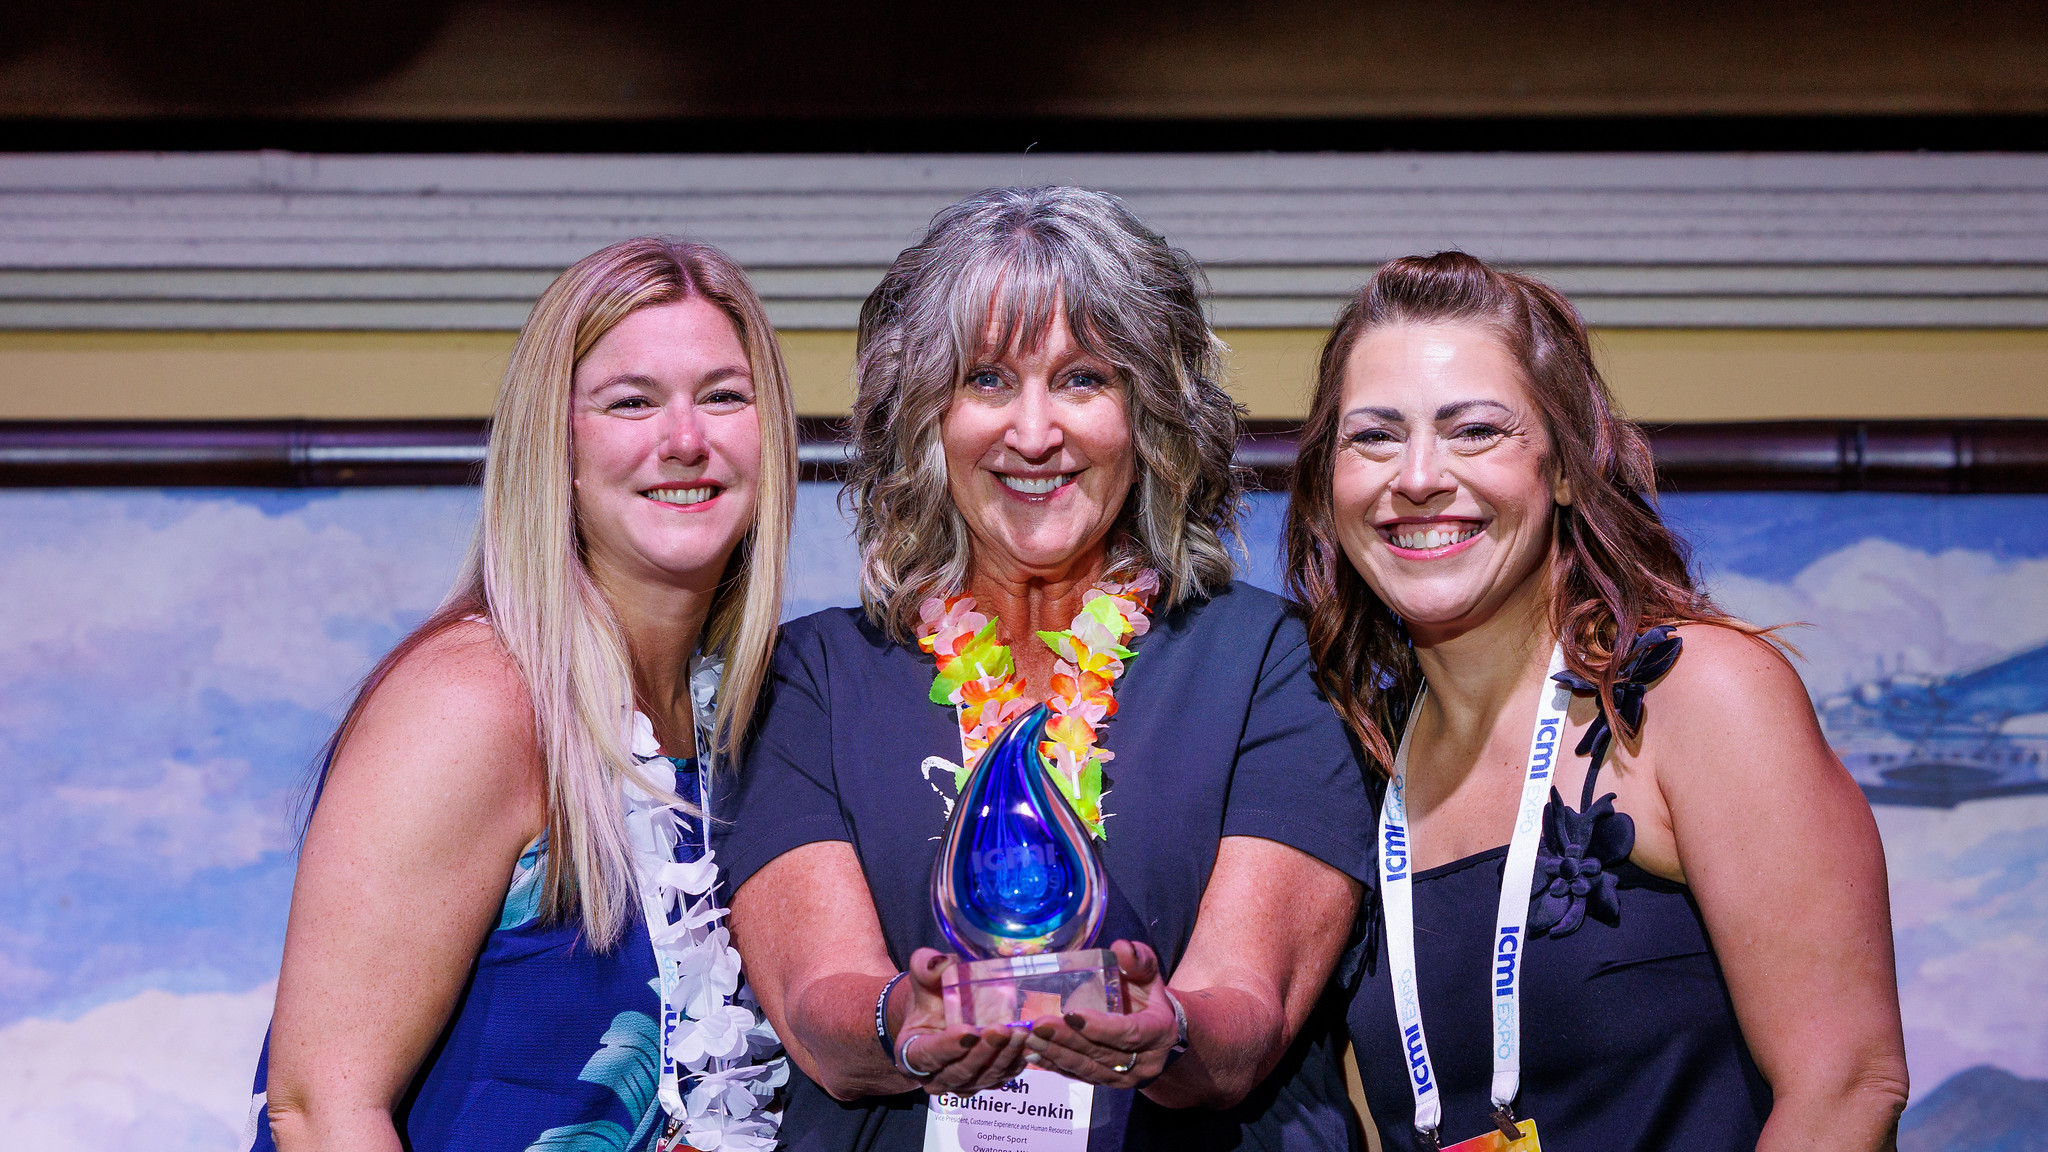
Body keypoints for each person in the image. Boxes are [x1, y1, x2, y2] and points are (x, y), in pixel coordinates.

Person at [718, 186, 1378, 1152]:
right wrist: (905, 1018)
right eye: (986, 380)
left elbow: (1250, 1006)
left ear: (1152, 412)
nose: (1034, 433)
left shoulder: (1267, 660)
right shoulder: (815, 676)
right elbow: (817, 1002)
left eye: (1082, 379)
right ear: (924, 419)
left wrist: (1168, 1032)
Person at [1284, 252, 1910, 1151]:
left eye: (1475, 432)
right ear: (1327, 483)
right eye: (1373, 436)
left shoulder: (1696, 698)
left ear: (1567, 469)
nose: (1416, 476)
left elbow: (1849, 1085)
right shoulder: (1355, 754)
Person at [245, 237, 798, 1152]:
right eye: (632, 402)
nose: (687, 439)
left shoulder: (758, 720)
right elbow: (319, 1109)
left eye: (724, 396)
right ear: (560, 446)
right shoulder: (476, 703)